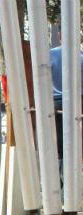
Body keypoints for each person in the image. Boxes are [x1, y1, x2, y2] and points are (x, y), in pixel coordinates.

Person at [50, 38, 83, 167]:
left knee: (58, 141)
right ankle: (73, 171)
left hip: (54, 102)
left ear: (59, 37)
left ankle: (60, 174)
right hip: (77, 102)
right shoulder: (80, 56)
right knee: (76, 140)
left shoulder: (49, 54)